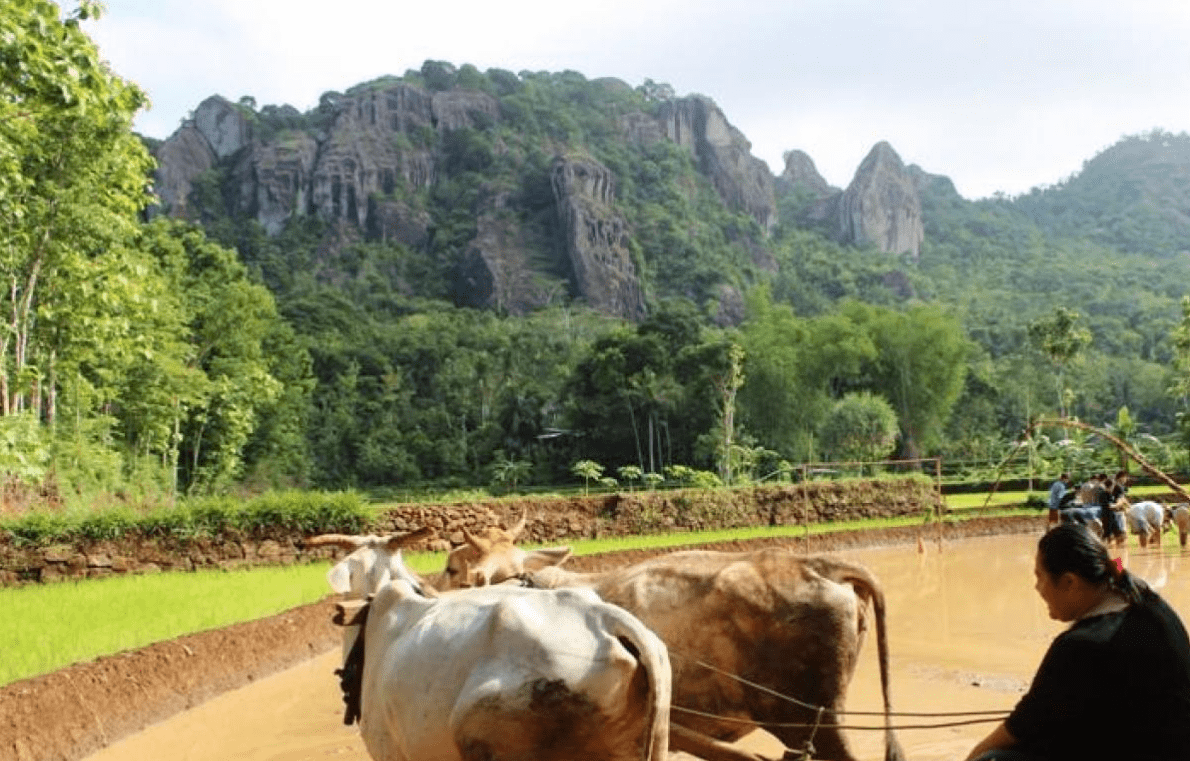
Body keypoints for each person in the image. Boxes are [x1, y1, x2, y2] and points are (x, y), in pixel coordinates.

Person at [964, 523, 1190, 761]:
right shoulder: (1149, 600)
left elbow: (1021, 726)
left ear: (1069, 583)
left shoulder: (1080, 645)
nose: (1037, 587)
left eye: (1039, 577)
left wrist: (973, 756)